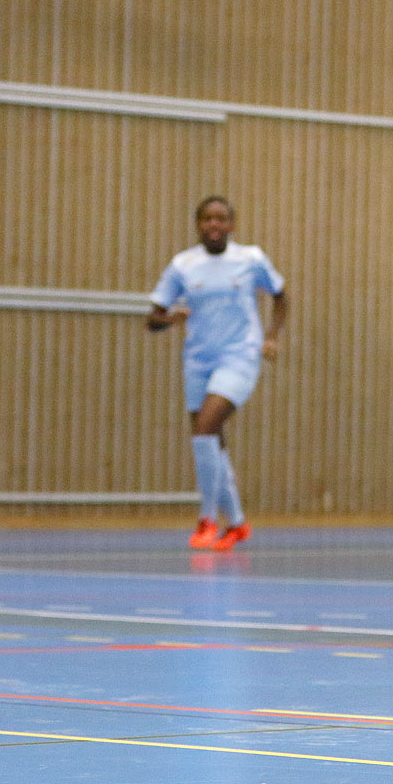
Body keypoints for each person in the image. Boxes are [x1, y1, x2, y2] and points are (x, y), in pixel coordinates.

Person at [148, 196, 287, 552]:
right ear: (198, 225)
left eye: (221, 219)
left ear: (231, 224)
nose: (214, 225)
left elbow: (281, 295)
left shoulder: (250, 260)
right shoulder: (183, 265)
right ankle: (238, 523)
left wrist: (271, 337)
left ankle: (207, 519)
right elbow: (153, 317)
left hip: (240, 356)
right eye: (207, 219)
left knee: (206, 427)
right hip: (198, 360)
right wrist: (169, 318)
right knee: (211, 442)